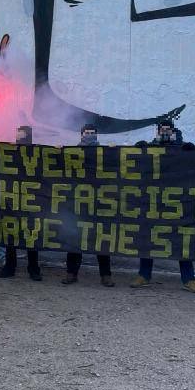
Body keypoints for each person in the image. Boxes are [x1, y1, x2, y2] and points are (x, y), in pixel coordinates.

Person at [131, 119, 195, 292]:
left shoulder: (183, 148)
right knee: (149, 238)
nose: (165, 132)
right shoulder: (151, 148)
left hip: (177, 201)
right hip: (154, 201)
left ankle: (188, 279)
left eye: (168, 129)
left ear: (173, 131)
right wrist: (138, 149)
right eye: (162, 129)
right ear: (158, 131)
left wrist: (192, 152)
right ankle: (144, 275)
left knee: (182, 239)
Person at [63, 123, 115, 287]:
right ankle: (71, 273)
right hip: (78, 203)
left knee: (101, 240)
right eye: (87, 132)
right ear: (81, 134)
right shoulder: (73, 153)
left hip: (99, 202)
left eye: (93, 133)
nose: (90, 135)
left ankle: (106, 275)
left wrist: (116, 151)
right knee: (74, 239)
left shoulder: (105, 153)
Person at [0, 125, 42, 281]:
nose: (18, 136)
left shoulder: (37, 152)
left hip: (30, 199)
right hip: (12, 198)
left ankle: (33, 268)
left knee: (31, 235)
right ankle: (10, 267)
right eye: (18, 133)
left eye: (21, 133)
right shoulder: (10, 151)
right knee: (11, 235)